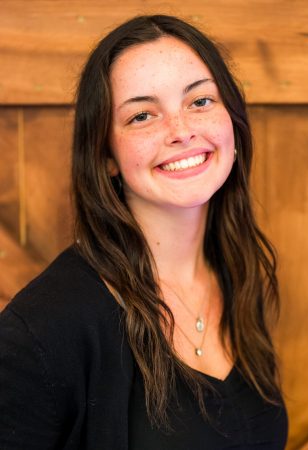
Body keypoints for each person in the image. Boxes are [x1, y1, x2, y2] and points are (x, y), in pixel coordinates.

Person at [0, 14, 288, 449]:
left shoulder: (236, 271)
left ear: (232, 119)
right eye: (141, 116)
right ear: (106, 155)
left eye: (200, 101)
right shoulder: (42, 330)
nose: (181, 131)